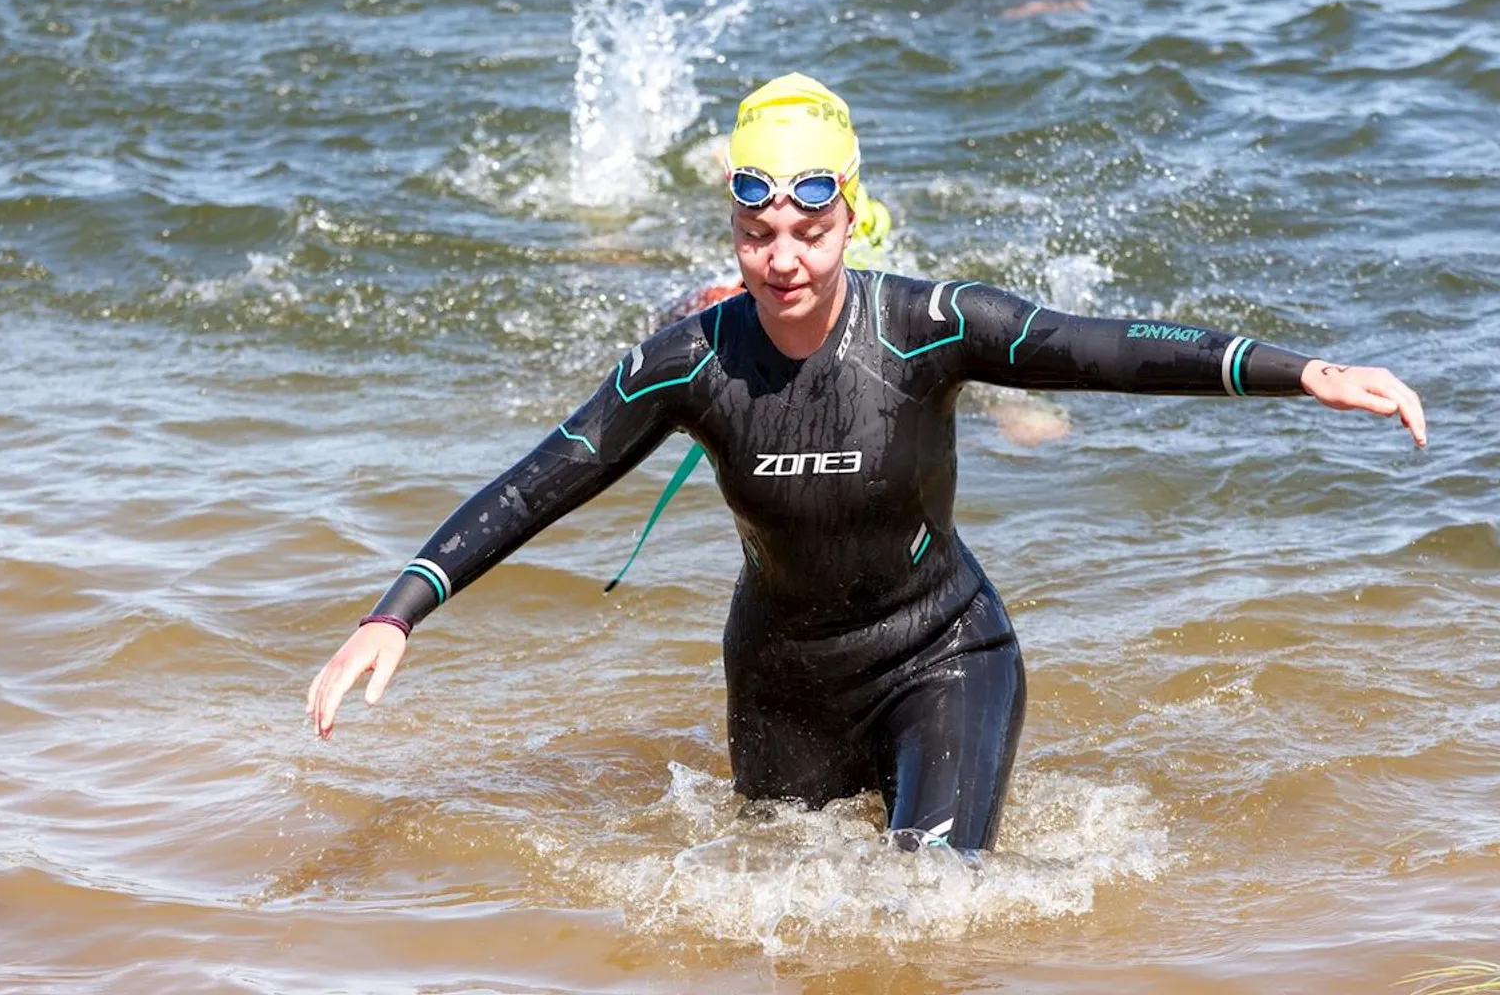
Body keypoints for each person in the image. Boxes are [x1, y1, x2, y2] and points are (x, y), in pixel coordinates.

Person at [306, 74, 1427, 853]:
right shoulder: (689, 360)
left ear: (850, 213)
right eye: (757, 235)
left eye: (810, 227)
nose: (784, 260)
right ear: (734, 228)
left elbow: (1108, 346)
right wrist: (394, 611)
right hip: (782, 677)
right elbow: (545, 476)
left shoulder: (930, 326)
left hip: (941, 652)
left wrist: (1298, 371)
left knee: (927, 906)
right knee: (793, 916)